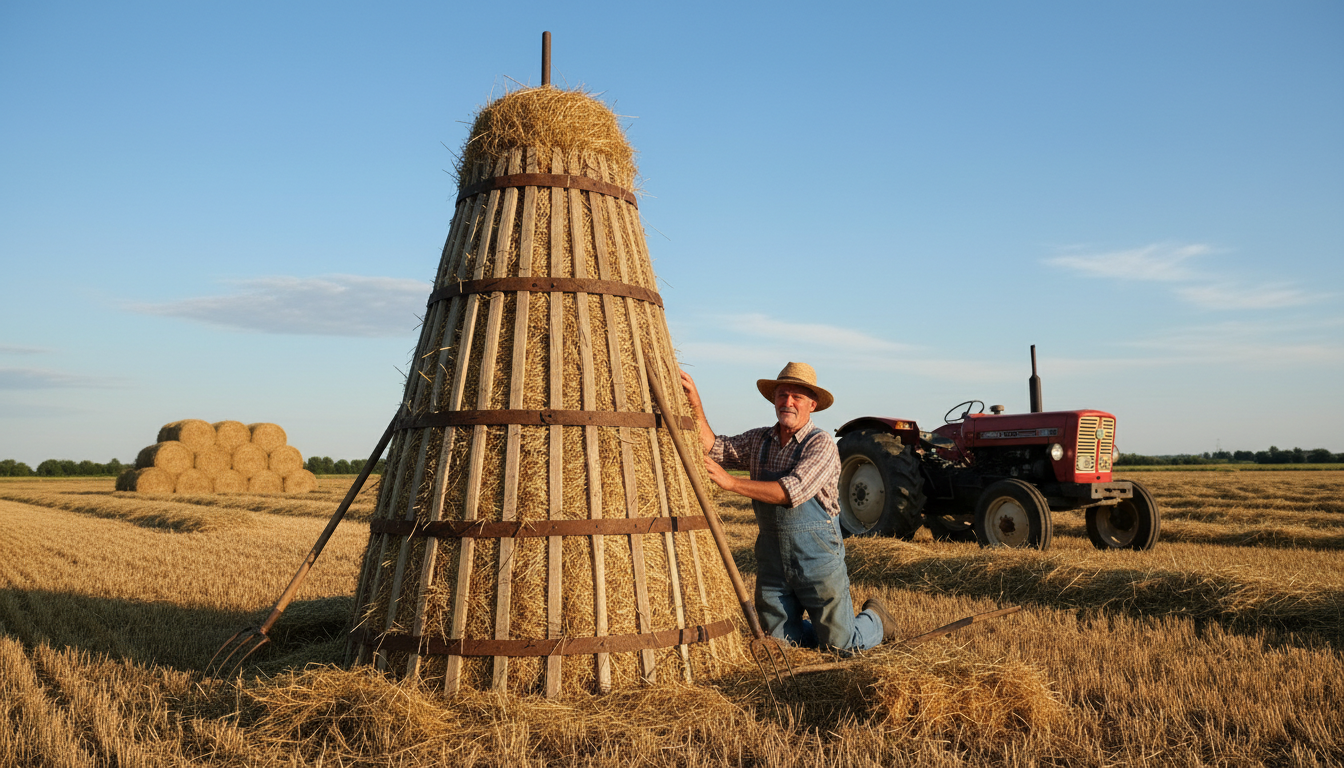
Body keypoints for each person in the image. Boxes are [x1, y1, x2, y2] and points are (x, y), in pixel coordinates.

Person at [681, 362, 897, 653]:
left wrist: (731, 483)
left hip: (817, 557)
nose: (788, 402)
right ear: (774, 400)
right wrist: (695, 402)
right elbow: (713, 447)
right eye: (782, 394)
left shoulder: (820, 444)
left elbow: (790, 491)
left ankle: (875, 620)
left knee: (841, 646)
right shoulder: (759, 439)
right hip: (773, 559)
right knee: (781, 644)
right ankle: (819, 634)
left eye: (797, 396)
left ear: (812, 404)